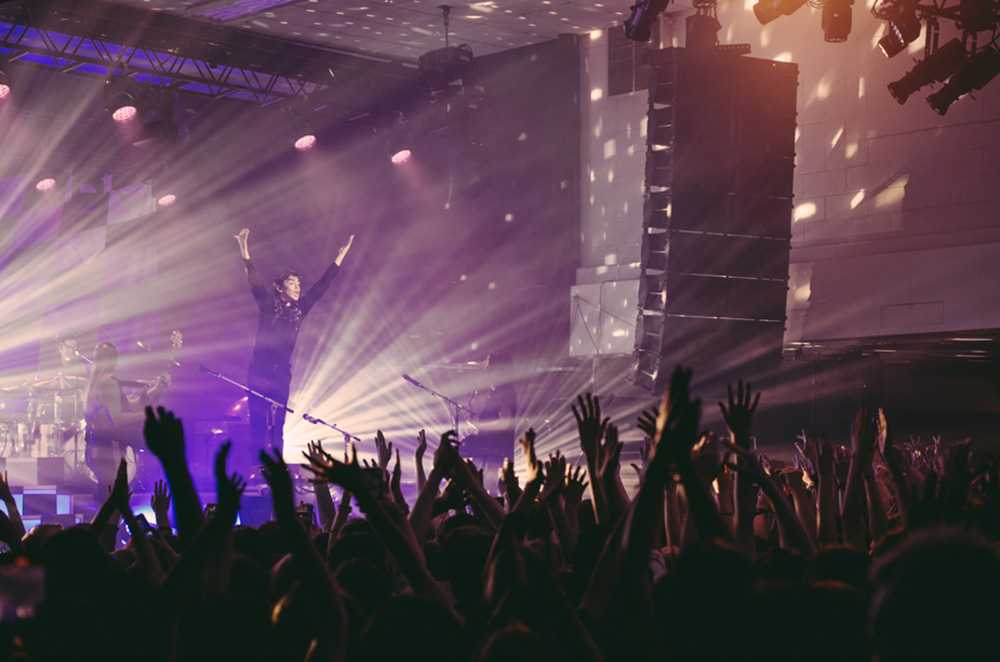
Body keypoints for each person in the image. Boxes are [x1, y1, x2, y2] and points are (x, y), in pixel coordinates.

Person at [234, 227, 355, 458]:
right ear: (280, 287)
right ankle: (258, 464)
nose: (298, 287)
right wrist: (244, 248)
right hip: (259, 370)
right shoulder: (268, 305)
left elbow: (322, 286)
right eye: (292, 283)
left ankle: (277, 463)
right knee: (258, 419)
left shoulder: (300, 310)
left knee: (278, 421)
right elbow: (254, 281)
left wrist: (340, 256)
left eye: (299, 283)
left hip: (281, 372)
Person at [82, 341, 170, 491]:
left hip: (98, 448)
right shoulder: (109, 383)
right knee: (113, 495)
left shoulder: (98, 382)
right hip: (108, 450)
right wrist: (144, 415)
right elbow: (117, 419)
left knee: (108, 496)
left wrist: (157, 389)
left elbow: (130, 405)